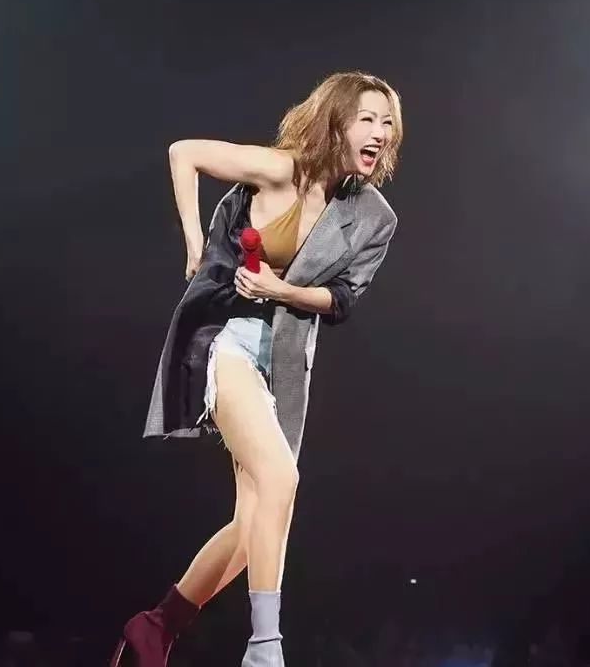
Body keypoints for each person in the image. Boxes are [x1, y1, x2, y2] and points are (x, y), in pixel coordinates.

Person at [110, 71, 402, 667]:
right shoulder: (281, 169)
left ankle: (158, 625)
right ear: (336, 122)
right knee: (282, 481)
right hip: (228, 340)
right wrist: (195, 245)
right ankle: (265, 647)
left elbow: (343, 299)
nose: (380, 132)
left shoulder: (374, 216)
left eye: (388, 123)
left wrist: (283, 290)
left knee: (253, 526)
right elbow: (185, 153)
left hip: (287, 363)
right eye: (367, 119)